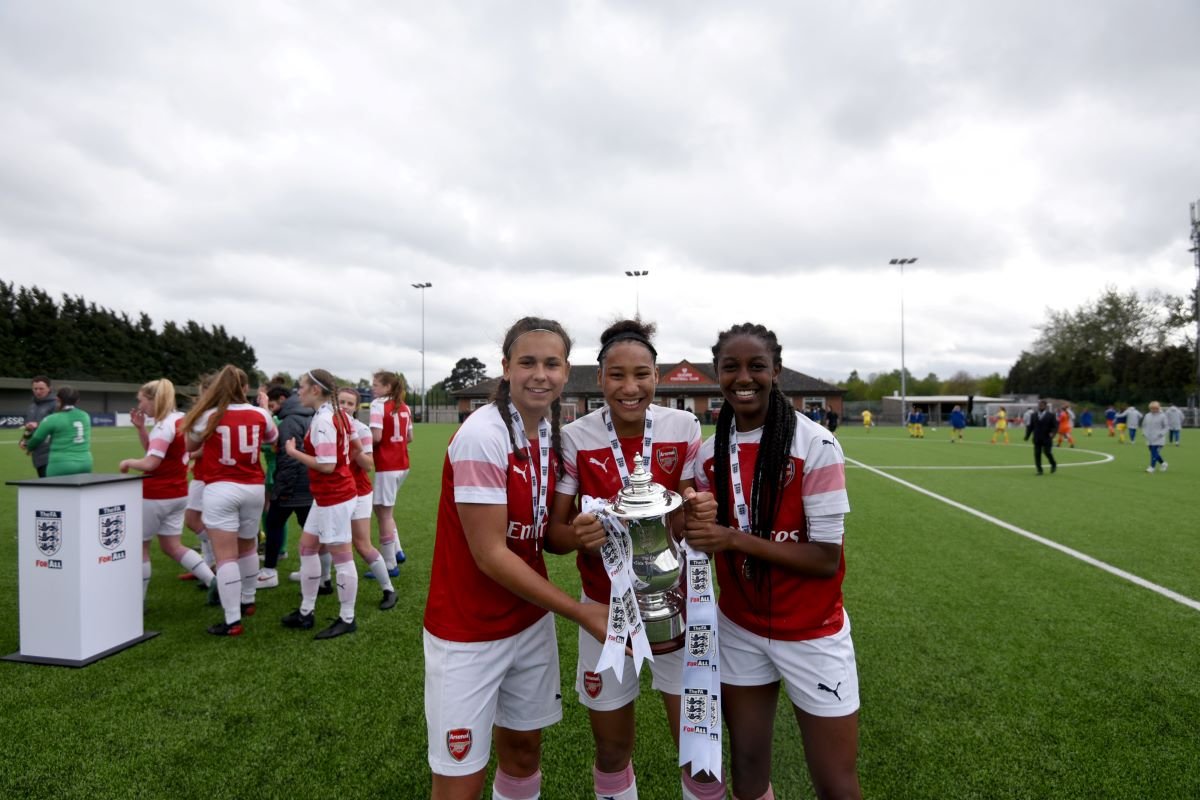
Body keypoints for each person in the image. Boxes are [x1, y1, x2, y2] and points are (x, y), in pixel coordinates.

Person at [423, 317, 610, 800]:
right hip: (468, 632)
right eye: (527, 362)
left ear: (568, 372)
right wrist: (581, 611)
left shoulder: (549, 433)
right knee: (459, 783)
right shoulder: (482, 434)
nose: (539, 374)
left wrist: (582, 535)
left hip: (528, 623)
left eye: (552, 363)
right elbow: (489, 555)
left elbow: (545, 538)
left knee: (525, 752)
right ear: (505, 368)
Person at [683, 323, 861, 800]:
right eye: (731, 367)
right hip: (739, 628)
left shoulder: (815, 445)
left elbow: (826, 558)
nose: (744, 377)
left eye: (756, 366)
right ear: (716, 375)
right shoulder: (706, 456)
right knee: (747, 769)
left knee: (835, 782)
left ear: (776, 372)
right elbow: (696, 531)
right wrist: (688, 512)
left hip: (812, 631)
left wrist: (734, 539)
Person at [547, 319, 717, 800]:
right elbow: (555, 537)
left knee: (697, 747)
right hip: (605, 610)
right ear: (598, 379)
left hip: (676, 604)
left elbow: (687, 513)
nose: (629, 387)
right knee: (611, 751)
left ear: (657, 376)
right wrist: (579, 536)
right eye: (616, 376)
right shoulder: (575, 436)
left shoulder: (682, 426)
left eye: (641, 374)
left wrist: (696, 504)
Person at [183, 365, 278, 636]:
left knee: (226, 556)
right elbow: (274, 439)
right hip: (252, 488)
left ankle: (232, 619)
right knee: (248, 548)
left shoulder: (209, 415)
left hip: (220, 488)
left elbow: (189, 446)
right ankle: (248, 600)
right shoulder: (260, 413)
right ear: (244, 388)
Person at [280, 370, 364, 639]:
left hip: (335, 497)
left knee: (342, 557)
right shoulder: (335, 414)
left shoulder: (326, 419)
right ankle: (306, 612)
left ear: (315, 390)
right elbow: (356, 445)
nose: (298, 391)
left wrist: (294, 453)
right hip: (329, 495)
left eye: (301, 387)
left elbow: (327, 465)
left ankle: (347, 617)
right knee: (307, 547)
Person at [119, 379, 216, 598]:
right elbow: (154, 452)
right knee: (172, 546)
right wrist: (141, 429)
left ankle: (138, 602)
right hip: (178, 492)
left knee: (140, 547)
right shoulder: (180, 419)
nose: (140, 405)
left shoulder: (163, 426)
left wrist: (128, 462)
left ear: (153, 399)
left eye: (141, 400)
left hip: (156, 494)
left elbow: (151, 462)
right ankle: (213, 581)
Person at [338, 386, 397, 610]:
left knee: (362, 544)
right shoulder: (325, 425)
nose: (344, 407)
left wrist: (354, 448)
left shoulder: (361, 429)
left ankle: (389, 589)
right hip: (332, 493)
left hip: (358, 492)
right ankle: (322, 583)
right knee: (319, 543)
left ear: (355, 408)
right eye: (341, 402)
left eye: (349, 404)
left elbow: (369, 465)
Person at [260, 384, 315, 589]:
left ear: (282, 400)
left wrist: (283, 489)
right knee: (309, 529)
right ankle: (311, 572)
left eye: (273, 405)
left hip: (293, 486)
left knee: (274, 524)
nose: (272, 410)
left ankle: (269, 571)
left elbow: (290, 459)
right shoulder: (306, 415)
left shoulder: (290, 421)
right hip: (307, 483)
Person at [370, 371, 412, 575]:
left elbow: (376, 437)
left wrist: (357, 444)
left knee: (383, 514)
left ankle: (389, 564)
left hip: (387, 465)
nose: (373, 388)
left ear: (387, 387)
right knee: (383, 510)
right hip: (402, 464)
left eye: (376, 385)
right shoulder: (404, 406)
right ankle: (397, 551)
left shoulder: (378, 405)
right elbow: (409, 437)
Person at [21, 385, 93, 477]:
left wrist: (29, 447)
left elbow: (37, 438)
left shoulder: (52, 419)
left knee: (54, 491)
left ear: (58, 399)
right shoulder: (85, 415)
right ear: (77, 400)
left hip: (61, 464)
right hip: (85, 463)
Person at [24, 375, 57, 478]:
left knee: (52, 488)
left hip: (52, 454)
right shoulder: (32, 406)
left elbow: (59, 426)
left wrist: (38, 425)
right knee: (45, 487)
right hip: (37, 454)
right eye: (35, 388)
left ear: (49, 389)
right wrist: (25, 439)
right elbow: (29, 428)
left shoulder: (56, 404)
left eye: (41, 388)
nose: (38, 391)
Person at [1024, 400, 1058, 476]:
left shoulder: (1051, 415)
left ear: (1045, 406)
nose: (1040, 406)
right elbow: (1030, 427)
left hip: (1047, 438)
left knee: (1047, 452)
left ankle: (1053, 464)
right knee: (1037, 454)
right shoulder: (1033, 415)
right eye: (1039, 405)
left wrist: (1053, 433)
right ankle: (1039, 470)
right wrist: (1027, 436)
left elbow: (1055, 426)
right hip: (1037, 438)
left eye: (1042, 405)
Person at [1141, 401, 1169, 473]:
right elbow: (1144, 425)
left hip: (1159, 439)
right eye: (1152, 408)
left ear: (1158, 408)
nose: (1153, 410)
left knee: (1154, 452)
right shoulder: (1147, 415)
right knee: (1154, 453)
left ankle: (1151, 467)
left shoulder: (1163, 416)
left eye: (1155, 408)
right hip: (1149, 438)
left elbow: (1166, 427)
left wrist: (1161, 434)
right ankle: (1163, 463)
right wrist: (1144, 432)